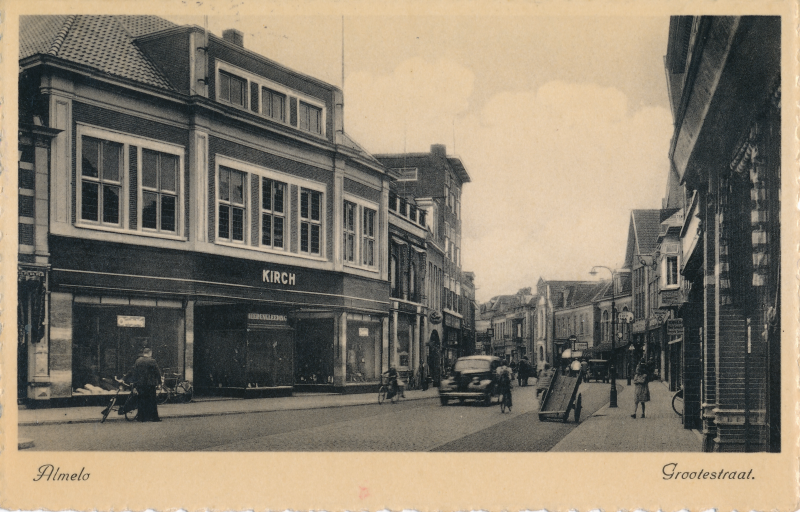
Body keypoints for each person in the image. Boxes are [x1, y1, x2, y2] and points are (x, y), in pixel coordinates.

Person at [126, 347, 162, 422]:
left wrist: (134, 383)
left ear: (143, 353)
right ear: (150, 353)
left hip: (140, 384)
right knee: (152, 401)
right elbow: (157, 372)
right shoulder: (152, 361)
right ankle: (154, 418)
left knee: (141, 401)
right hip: (150, 384)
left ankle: (141, 417)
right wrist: (159, 382)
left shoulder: (138, 361)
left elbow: (134, 373)